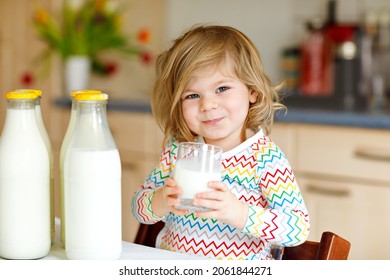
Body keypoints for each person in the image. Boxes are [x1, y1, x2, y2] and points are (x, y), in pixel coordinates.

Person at [131, 24, 310, 260]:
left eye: (222, 88)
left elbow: (298, 228)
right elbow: (139, 208)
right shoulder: (179, 150)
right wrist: (161, 201)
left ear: (252, 91)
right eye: (192, 95)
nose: (207, 105)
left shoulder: (264, 157)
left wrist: (239, 212)